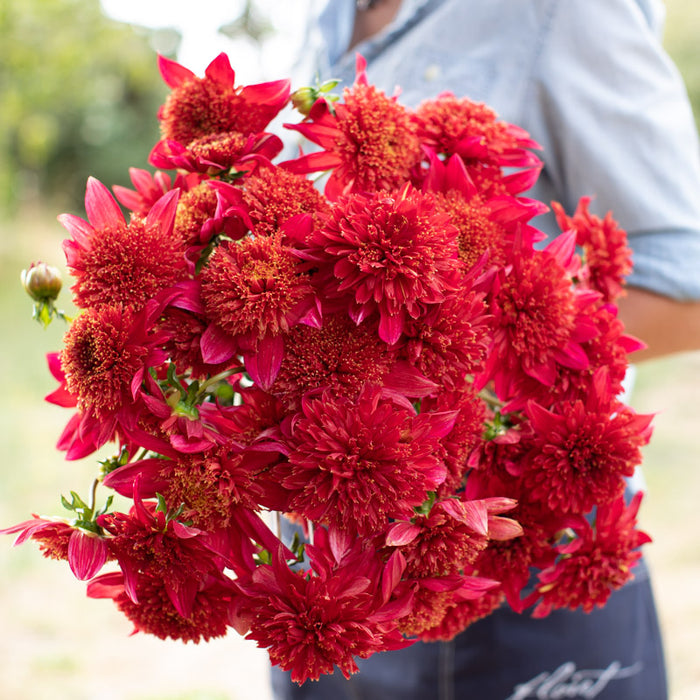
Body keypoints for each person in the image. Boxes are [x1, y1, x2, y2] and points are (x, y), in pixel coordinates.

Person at [270, 1, 700, 698]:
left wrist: (459, 362)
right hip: (324, 552)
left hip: (507, 541)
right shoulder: (322, 18)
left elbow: (688, 287)